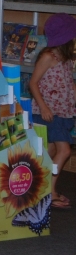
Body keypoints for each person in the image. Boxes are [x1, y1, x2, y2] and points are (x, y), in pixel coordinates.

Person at [28, 13, 76, 211]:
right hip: (49, 111)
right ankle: (50, 190)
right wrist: (45, 107)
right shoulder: (49, 56)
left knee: (51, 150)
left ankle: (37, 185)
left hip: (63, 111)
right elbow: (33, 82)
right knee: (64, 150)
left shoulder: (66, 58)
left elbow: (69, 83)